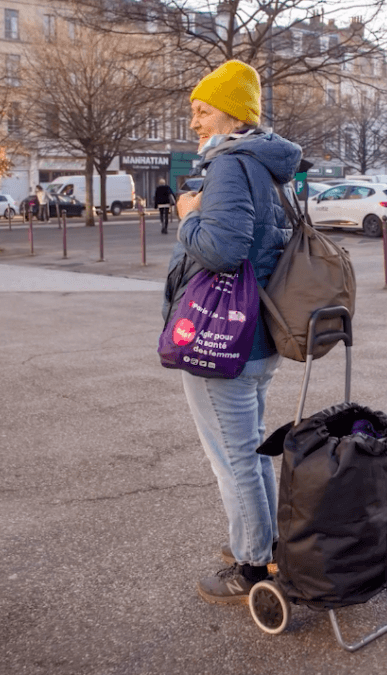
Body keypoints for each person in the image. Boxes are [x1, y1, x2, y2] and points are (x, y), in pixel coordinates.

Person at [164, 60, 301, 605]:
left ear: (232, 113)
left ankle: (250, 568)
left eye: (203, 110)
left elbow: (223, 249)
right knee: (249, 450)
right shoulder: (265, 166)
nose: (195, 122)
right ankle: (262, 544)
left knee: (235, 459)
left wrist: (186, 214)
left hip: (224, 341)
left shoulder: (227, 166)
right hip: (259, 334)